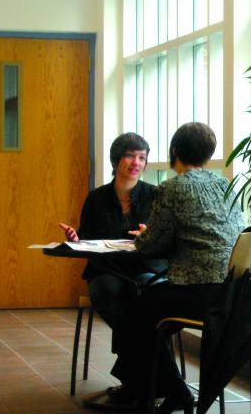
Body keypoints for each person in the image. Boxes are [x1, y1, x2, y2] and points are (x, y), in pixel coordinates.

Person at [111, 122, 245, 414]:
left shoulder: (171, 189)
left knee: (135, 311)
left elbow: (150, 246)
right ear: (208, 154)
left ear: (174, 152)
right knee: (148, 310)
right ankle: (152, 387)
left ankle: (171, 391)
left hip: (198, 293)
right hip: (233, 291)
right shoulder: (225, 185)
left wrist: (146, 235)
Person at [58, 132, 162, 403]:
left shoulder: (155, 196)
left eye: (142, 157)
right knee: (109, 290)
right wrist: (76, 239)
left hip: (144, 269)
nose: (136, 162)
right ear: (116, 160)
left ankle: (134, 378)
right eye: (130, 155)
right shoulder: (96, 198)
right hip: (107, 271)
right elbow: (87, 238)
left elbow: (165, 239)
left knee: (145, 294)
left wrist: (149, 234)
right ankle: (150, 378)